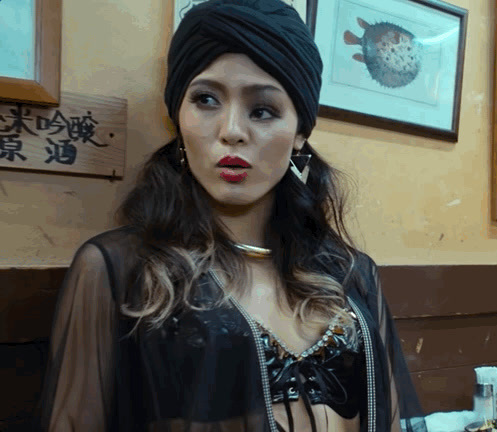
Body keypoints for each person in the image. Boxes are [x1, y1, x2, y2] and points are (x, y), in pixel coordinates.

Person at [38, 1, 426, 431]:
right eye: (206, 100)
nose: (232, 130)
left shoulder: (352, 273)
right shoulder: (122, 268)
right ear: (178, 118)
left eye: (262, 110)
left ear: (300, 131)